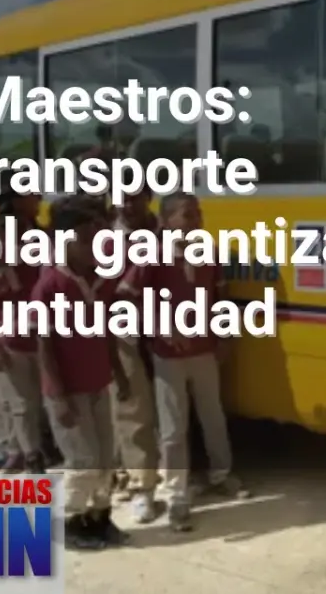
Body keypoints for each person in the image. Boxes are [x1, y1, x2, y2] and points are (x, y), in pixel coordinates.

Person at [118, 193, 244, 533]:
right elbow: (126, 297)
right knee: (173, 428)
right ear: (167, 221)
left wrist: (225, 337)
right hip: (168, 355)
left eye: (198, 214)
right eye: (187, 215)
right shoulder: (152, 256)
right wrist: (160, 328)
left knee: (213, 416)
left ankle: (221, 474)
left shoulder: (208, 252)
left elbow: (220, 296)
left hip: (203, 349)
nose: (196, 220)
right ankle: (176, 494)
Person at [32, 194, 130, 550]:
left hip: (98, 382)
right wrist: (58, 396)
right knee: (82, 460)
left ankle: (100, 517)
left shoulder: (100, 281)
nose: (94, 248)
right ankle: (70, 522)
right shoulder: (50, 286)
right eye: (86, 241)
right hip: (68, 390)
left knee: (105, 457)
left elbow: (107, 332)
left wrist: (119, 374)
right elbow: (44, 346)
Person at [0, 183, 47, 473]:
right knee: (20, 404)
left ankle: (26, 448)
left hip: (38, 340)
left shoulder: (35, 263)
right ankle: (30, 454)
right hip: (9, 345)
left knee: (37, 400)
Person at [110, 187, 163, 524]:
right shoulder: (106, 241)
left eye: (134, 197)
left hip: (167, 330)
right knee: (132, 410)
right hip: (126, 334)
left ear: (149, 197)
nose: (128, 205)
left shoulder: (165, 232)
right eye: (121, 198)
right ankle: (142, 488)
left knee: (168, 409)